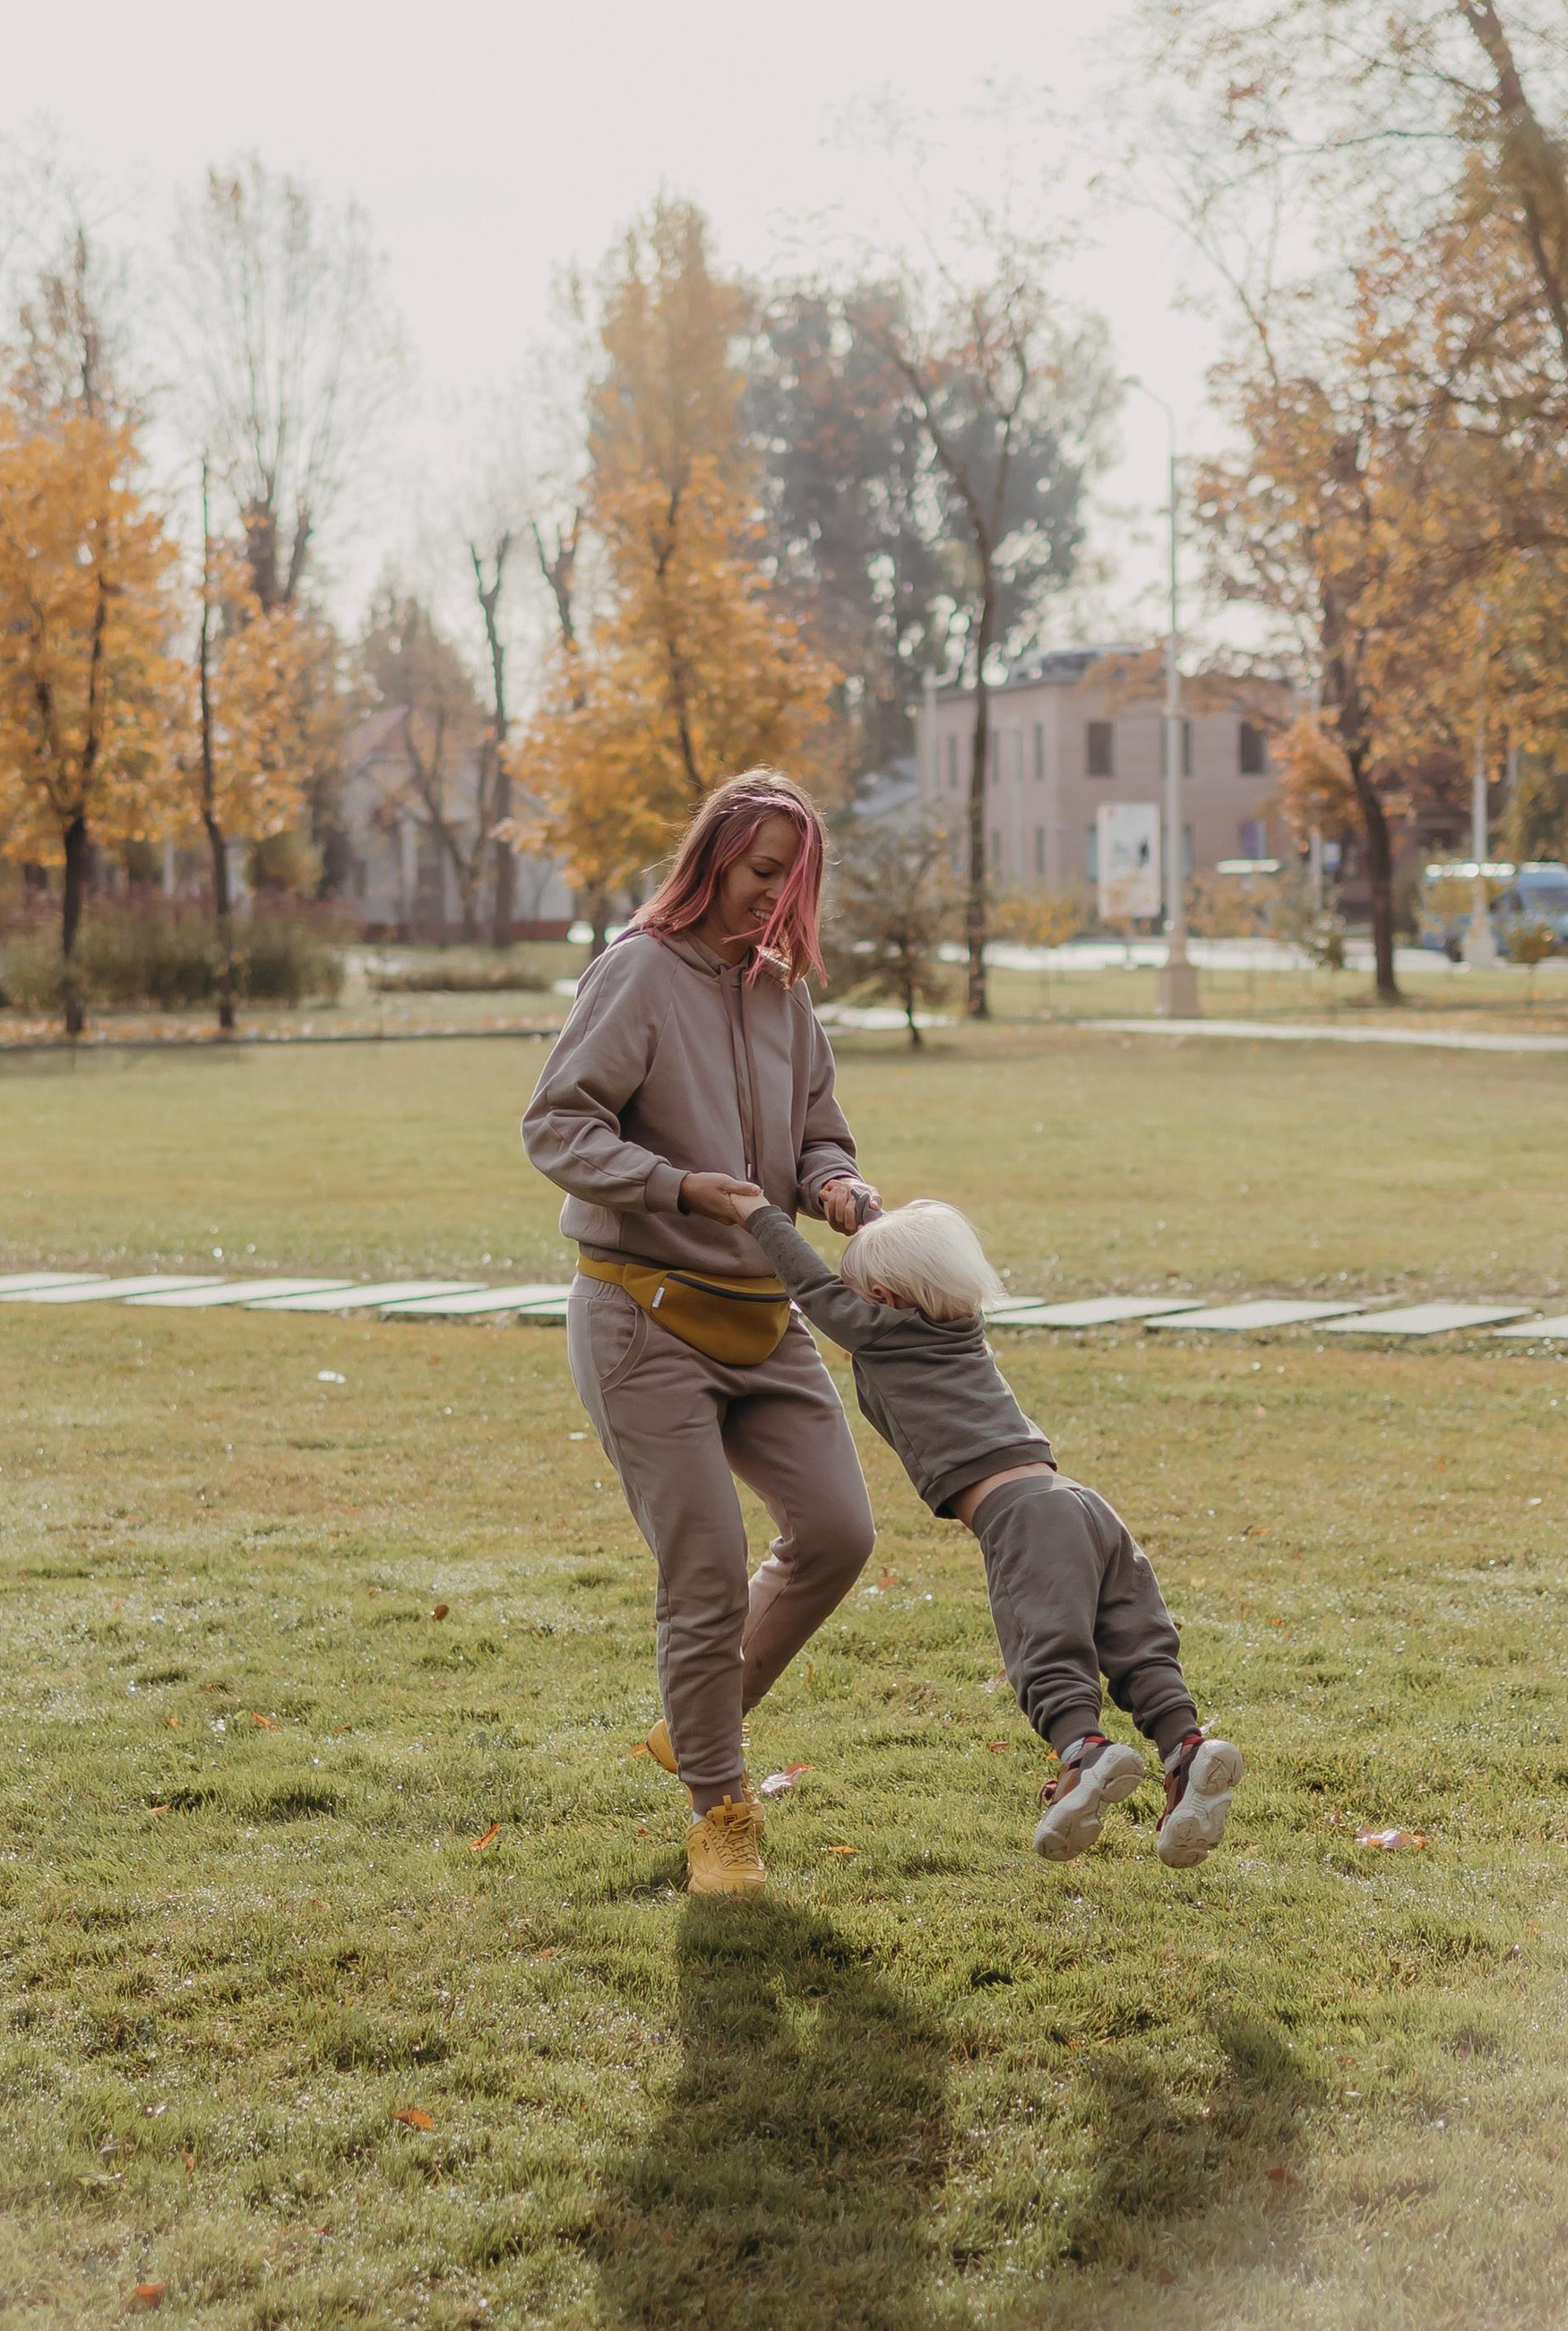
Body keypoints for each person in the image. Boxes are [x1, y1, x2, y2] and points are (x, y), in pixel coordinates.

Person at [521, 770, 878, 1897]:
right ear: (714, 860)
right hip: (642, 1311)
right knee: (707, 1564)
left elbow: (820, 1130)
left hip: (766, 1311)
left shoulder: (782, 994)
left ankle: (698, 1716)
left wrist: (836, 1186)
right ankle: (719, 1812)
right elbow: (556, 1127)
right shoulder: (636, 971)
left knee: (837, 1532)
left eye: (794, 879)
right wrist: (678, 1187)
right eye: (761, 872)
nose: (776, 898)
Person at [717, 1183, 1243, 1867]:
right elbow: (900, 1269)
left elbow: (815, 1291)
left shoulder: (881, 1330)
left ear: (880, 1299)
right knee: (1134, 1642)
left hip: (1020, 1516)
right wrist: (876, 1225)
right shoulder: (958, 1321)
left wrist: (757, 1213)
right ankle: (1186, 1750)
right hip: (1077, 1500)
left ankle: (1084, 1753)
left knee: (1045, 1649)